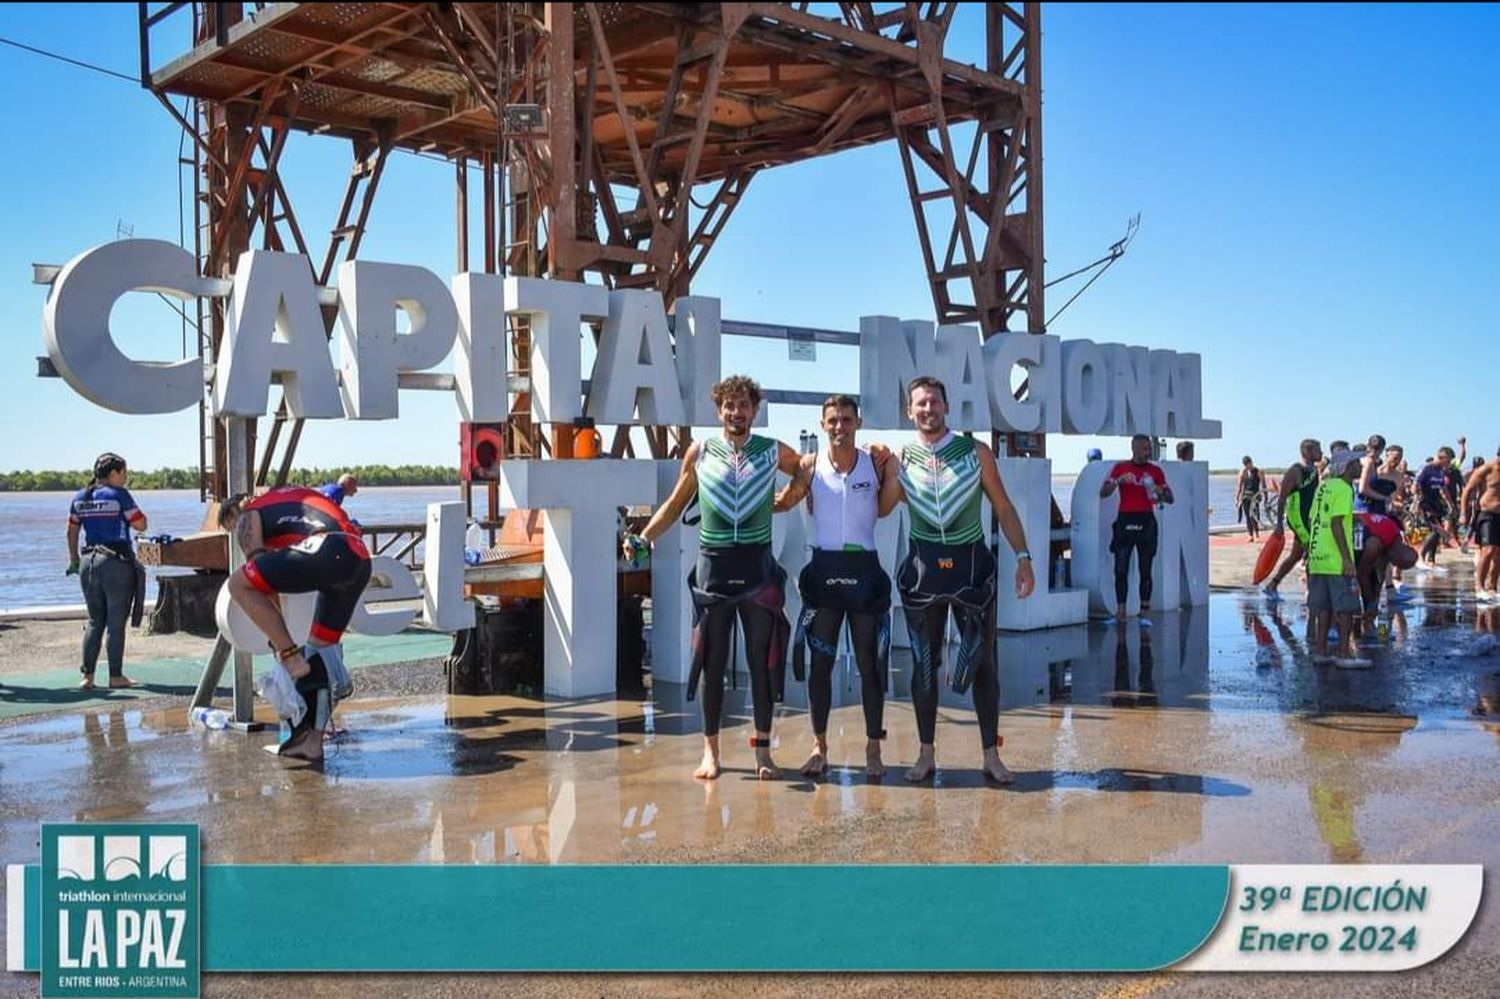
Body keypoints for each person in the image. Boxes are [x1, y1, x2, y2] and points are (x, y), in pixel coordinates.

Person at [625, 375, 800, 780]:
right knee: (712, 661)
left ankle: (762, 754)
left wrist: (787, 501)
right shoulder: (701, 451)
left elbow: (805, 470)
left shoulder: (771, 450)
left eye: (743, 405)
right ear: (718, 410)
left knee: (761, 662)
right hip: (713, 570)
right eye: (729, 406)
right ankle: (711, 753)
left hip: (757, 568)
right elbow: (674, 503)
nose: (736, 412)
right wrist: (644, 538)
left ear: (755, 410)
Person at [883, 376, 1036, 784]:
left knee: (984, 664)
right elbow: (882, 509)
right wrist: (878, 467)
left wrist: (1023, 557)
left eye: (934, 401)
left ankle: (990, 755)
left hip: (972, 569)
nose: (927, 409)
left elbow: (1002, 508)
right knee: (923, 665)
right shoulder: (902, 458)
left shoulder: (975, 452)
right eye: (920, 404)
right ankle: (926, 754)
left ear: (946, 406)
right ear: (909, 412)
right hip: (923, 571)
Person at [774, 395, 897, 778]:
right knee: (820, 667)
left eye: (846, 419)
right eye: (833, 420)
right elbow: (783, 501)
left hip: (864, 572)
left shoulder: (874, 463)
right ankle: (819, 746)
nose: (839, 426)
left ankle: (873, 749)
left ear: (858, 422)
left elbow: (890, 503)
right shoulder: (811, 467)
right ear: (823, 424)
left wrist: (890, 462)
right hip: (824, 573)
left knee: (870, 666)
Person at [219, 485, 372, 761]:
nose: (236, 536)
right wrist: (279, 636)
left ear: (234, 514)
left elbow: (256, 570)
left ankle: (292, 658)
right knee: (318, 652)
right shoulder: (281, 502)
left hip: (329, 547)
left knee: (238, 584)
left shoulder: (248, 513)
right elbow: (270, 582)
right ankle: (310, 742)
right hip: (358, 558)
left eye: (231, 530)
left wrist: (283, 648)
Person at [66, 453, 148, 690]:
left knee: (94, 620)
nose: (126, 477)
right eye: (124, 473)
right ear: (113, 474)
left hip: (87, 562)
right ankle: (115, 676)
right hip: (114, 562)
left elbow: (71, 532)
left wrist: (73, 559)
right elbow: (140, 524)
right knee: (115, 621)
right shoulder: (119, 495)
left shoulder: (80, 497)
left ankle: (87, 677)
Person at [1099, 433, 1174, 623]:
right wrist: (1117, 481)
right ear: (1134, 449)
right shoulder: (1121, 468)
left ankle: (1145, 612)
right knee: (1121, 568)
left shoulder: (1155, 471)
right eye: (1143, 449)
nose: (1147, 452)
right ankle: (1121, 612)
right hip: (1125, 519)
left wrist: (1160, 491)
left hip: (1146, 520)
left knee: (1145, 569)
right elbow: (1103, 493)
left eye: (1148, 449)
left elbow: (1170, 498)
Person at [1306, 451, 1368, 668]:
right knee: (1346, 608)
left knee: (1323, 609)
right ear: (1346, 467)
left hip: (1318, 557)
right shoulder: (1344, 488)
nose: (1360, 467)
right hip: (1335, 560)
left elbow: (1314, 518)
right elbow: (1336, 523)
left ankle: (1321, 652)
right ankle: (1343, 653)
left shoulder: (1323, 486)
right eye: (1356, 463)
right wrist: (1347, 559)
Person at [1264, 439, 1323, 601]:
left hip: (1308, 518)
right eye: (1319, 449)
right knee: (1313, 552)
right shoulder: (1295, 471)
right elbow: (1282, 498)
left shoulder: (1314, 470)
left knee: (1296, 555)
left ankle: (1272, 585)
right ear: (1308, 452)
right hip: (1297, 518)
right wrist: (1279, 525)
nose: (1322, 453)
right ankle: (1312, 592)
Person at [1460, 449, 1500, 600]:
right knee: (1488, 550)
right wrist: (1464, 514)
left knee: (1498, 555)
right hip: (1487, 513)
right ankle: (1480, 586)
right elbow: (1467, 491)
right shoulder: (1486, 469)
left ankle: (1493, 587)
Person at [1416, 448, 1457, 569]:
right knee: (1436, 531)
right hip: (1425, 504)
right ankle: (1421, 556)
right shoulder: (1426, 468)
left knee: (1437, 534)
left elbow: (1443, 489)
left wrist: (1451, 504)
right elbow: (1416, 485)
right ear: (1442, 457)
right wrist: (1416, 501)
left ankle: (1431, 561)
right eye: (1448, 461)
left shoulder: (1440, 471)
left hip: (1436, 504)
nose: (1449, 464)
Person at [1236, 455, 1263, 543]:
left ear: (1251, 463)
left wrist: (1264, 496)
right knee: (1247, 516)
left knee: (1254, 515)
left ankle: (1257, 535)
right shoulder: (1243, 472)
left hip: (1255, 496)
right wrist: (1237, 498)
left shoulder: (1257, 471)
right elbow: (1240, 486)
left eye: (1249, 464)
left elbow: (1263, 484)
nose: (1248, 466)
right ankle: (1250, 535)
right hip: (1245, 496)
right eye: (1246, 465)